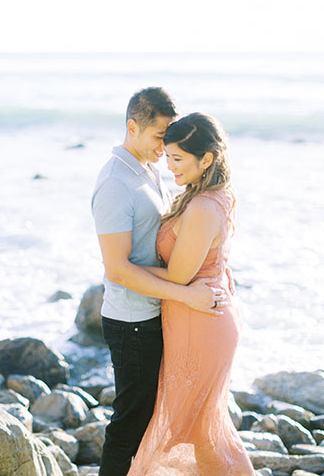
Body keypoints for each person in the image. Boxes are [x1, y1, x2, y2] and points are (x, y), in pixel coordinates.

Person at [91, 87, 227, 476]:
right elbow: (116, 268)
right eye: (158, 137)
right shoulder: (116, 183)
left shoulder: (147, 167)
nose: (164, 147)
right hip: (131, 321)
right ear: (132, 127)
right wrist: (186, 294)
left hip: (154, 313)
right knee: (129, 424)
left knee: (151, 420)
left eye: (169, 139)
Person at [127, 113, 253, 475]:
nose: (169, 167)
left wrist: (123, 269)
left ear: (207, 159)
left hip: (200, 322)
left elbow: (180, 276)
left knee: (204, 431)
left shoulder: (201, 206)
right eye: (167, 157)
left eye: (178, 159)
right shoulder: (208, 193)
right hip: (200, 315)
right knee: (205, 428)